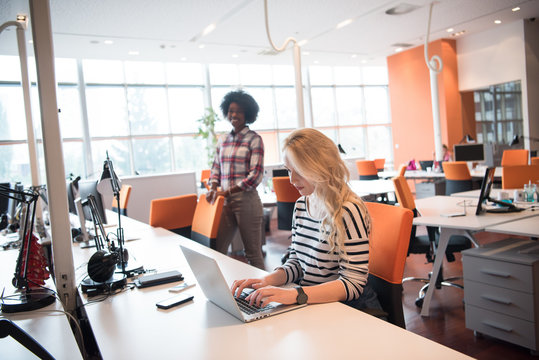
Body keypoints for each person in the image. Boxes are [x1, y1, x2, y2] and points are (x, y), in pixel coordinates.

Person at [231, 128, 381, 311]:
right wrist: (265, 281)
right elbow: (297, 262)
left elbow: (353, 284)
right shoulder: (302, 205)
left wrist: (295, 295)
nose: (292, 180)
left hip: (349, 309)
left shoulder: (348, 211)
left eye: (299, 171)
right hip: (313, 302)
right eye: (288, 170)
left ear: (321, 167)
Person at [206, 90, 265, 270]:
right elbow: (216, 168)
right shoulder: (223, 139)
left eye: (239, 111)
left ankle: (266, 293)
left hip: (246, 201)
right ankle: (221, 291)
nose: (234, 115)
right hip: (223, 201)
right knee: (216, 250)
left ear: (247, 113)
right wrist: (213, 187)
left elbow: (255, 176)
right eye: (231, 110)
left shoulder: (254, 139)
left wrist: (228, 191)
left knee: (252, 253)